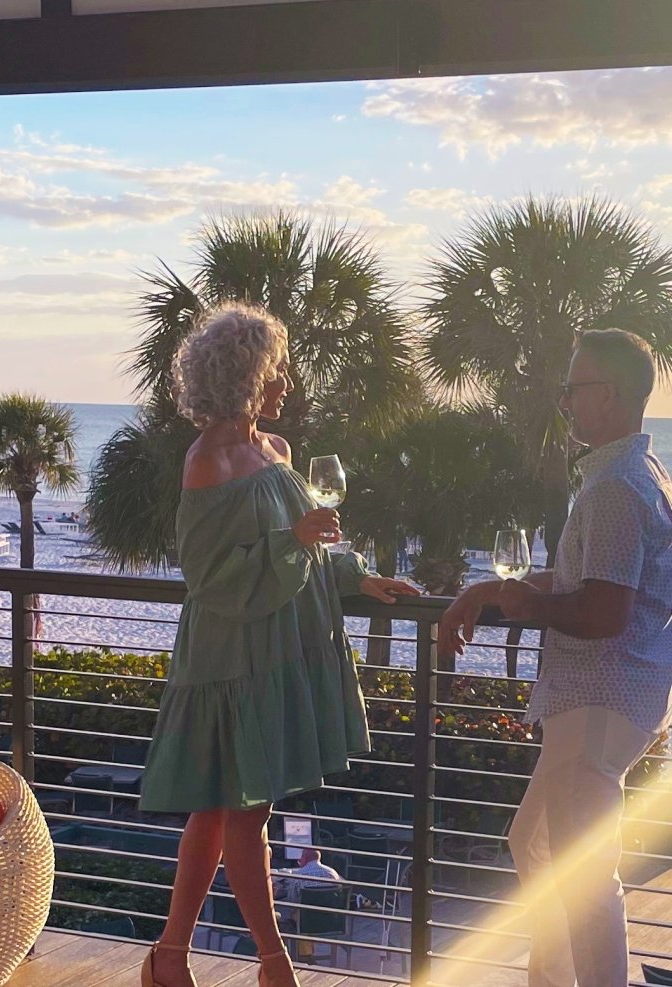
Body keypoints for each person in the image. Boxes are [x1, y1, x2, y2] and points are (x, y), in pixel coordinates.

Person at [137, 303, 420, 987]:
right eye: (275, 369)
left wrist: (359, 575)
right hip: (229, 654)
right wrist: (291, 540)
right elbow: (206, 575)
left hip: (280, 643)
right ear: (245, 375)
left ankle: (169, 957)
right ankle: (273, 962)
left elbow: (313, 547)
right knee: (245, 809)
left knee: (217, 809)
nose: (286, 382)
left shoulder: (280, 451)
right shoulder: (205, 462)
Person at [439, 329, 672, 987]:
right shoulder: (634, 473)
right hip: (608, 702)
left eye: (573, 388)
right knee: (536, 845)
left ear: (606, 395)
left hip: (600, 699)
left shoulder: (614, 489)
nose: (566, 401)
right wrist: (488, 590)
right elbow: (584, 580)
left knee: (583, 877)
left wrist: (529, 608)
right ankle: (548, 975)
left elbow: (603, 612)